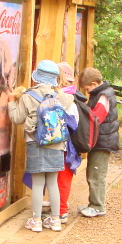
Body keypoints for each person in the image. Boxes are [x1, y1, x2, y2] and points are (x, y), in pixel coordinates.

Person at [8, 59, 74, 233]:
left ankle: (36, 221)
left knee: (38, 184)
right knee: (53, 183)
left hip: (35, 143)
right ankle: (55, 220)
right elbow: (70, 101)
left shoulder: (28, 96)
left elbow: (16, 118)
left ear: (37, 77)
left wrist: (12, 101)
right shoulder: (60, 96)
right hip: (57, 143)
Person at [77, 67, 120, 217]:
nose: (87, 92)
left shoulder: (103, 96)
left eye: (87, 89)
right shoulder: (101, 94)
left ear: (94, 84)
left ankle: (98, 206)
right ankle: (93, 204)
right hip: (100, 140)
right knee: (93, 172)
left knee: (97, 174)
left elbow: (96, 118)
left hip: (103, 142)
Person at [54, 62, 81, 223]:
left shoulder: (60, 98)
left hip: (61, 145)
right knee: (63, 178)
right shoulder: (74, 97)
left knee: (61, 178)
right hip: (69, 146)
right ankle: (60, 207)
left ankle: (61, 211)